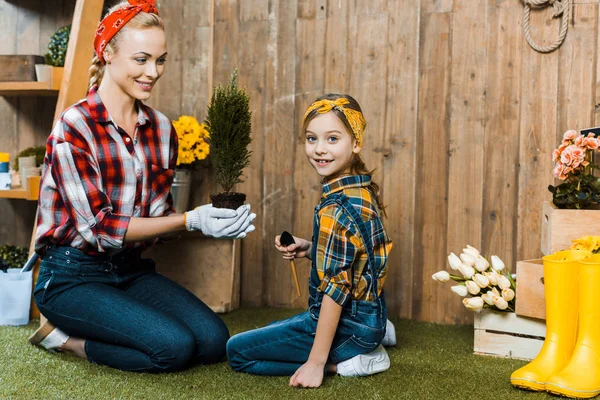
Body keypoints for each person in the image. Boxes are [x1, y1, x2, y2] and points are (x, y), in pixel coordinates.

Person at [28, 0, 255, 373]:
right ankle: (66, 339)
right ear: (108, 54)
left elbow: (157, 220)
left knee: (214, 341)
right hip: (71, 277)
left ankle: (114, 320)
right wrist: (189, 220)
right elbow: (101, 229)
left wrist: (213, 223)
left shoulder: (162, 130)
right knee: (174, 349)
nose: (153, 72)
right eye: (141, 59)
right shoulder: (74, 129)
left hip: (129, 269)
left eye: (160, 60)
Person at [226, 94, 394, 388]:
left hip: (349, 325)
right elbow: (359, 256)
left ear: (356, 142)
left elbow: (335, 291)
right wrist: (309, 249)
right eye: (311, 138)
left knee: (237, 350)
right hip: (370, 316)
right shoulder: (360, 189)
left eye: (332, 139)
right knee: (271, 329)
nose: (319, 149)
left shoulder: (335, 209)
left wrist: (316, 363)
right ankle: (375, 333)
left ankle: (349, 362)